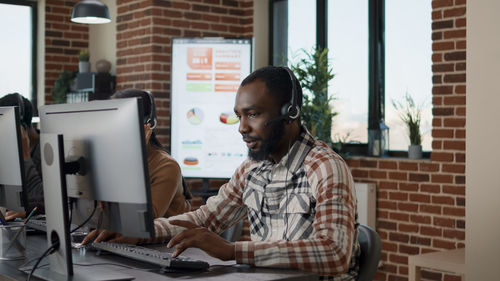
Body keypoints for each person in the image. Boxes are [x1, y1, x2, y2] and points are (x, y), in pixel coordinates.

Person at [84, 67, 360, 279]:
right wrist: (137, 232)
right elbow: (205, 218)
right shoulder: (251, 169)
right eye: (238, 116)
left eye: (252, 114)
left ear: (290, 113)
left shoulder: (325, 167)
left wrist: (233, 251)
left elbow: (334, 253)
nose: (241, 127)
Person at [111, 89, 192, 218]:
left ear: (146, 124)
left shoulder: (167, 166)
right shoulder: (113, 159)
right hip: (127, 237)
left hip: (168, 237)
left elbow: (144, 219)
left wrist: (134, 158)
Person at [0, 93, 44, 218]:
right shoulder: (9, 148)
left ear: (21, 127)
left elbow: (47, 200)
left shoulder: (48, 151)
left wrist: (25, 157)